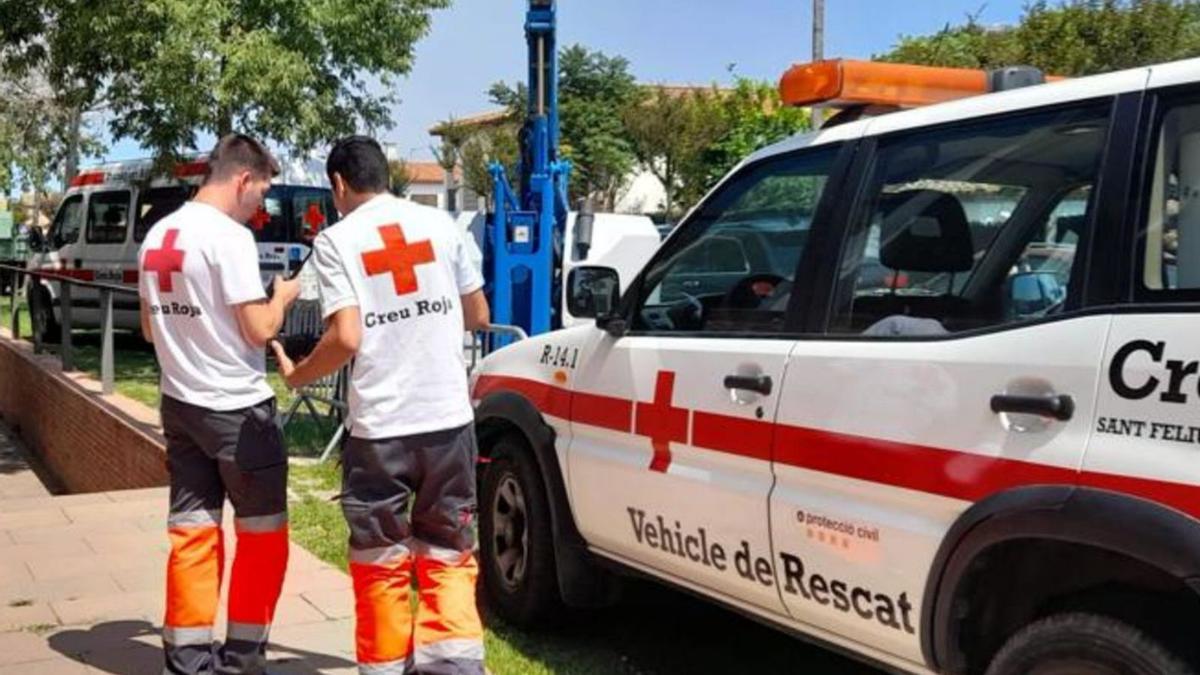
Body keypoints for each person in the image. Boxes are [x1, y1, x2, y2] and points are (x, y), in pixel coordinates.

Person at [272, 135, 490, 675]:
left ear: (339, 185)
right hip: (449, 423)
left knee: (381, 561)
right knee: (447, 553)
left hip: (382, 430)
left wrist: (300, 374)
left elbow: (345, 338)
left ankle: (388, 667)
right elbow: (479, 314)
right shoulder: (443, 227)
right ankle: (455, 666)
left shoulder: (337, 240)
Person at [139, 134, 301, 675]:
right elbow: (258, 330)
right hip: (238, 413)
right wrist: (282, 298)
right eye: (263, 192)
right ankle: (242, 660)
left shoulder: (158, 235)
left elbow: (148, 327)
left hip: (180, 406)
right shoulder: (228, 239)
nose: (262, 204)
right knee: (262, 538)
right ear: (242, 180)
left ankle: (186, 659)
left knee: (192, 534)